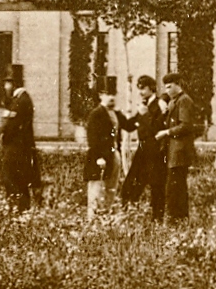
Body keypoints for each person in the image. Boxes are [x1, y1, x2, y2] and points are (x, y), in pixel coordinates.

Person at [156, 72, 203, 224]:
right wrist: (163, 98)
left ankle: (175, 220)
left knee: (175, 188)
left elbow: (186, 126)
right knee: (176, 188)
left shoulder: (184, 101)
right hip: (174, 153)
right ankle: (179, 219)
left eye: (170, 87)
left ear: (178, 85)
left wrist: (166, 132)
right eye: (165, 87)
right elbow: (165, 96)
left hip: (180, 153)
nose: (167, 90)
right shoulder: (175, 99)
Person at [120, 74, 167, 218]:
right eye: (138, 88)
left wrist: (145, 114)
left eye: (143, 88)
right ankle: (128, 214)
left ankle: (157, 219)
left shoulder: (159, 105)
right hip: (143, 150)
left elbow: (157, 128)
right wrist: (113, 113)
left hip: (155, 151)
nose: (140, 92)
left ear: (151, 88)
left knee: (156, 185)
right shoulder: (144, 106)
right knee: (131, 184)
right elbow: (130, 126)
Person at [0, 64, 42, 212]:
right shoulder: (19, 99)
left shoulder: (20, 101)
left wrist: (1, 135)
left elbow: (10, 128)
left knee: (13, 182)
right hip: (18, 149)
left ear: (14, 83)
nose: (5, 87)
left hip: (17, 150)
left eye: (7, 83)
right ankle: (19, 212)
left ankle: (18, 213)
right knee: (16, 182)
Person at [84, 79, 120, 218]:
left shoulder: (115, 114)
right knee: (97, 192)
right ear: (100, 95)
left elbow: (129, 126)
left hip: (113, 156)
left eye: (113, 94)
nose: (111, 97)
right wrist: (98, 157)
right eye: (107, 94)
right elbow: (92, 138)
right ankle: (93, 225)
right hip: (99, 159)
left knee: (110, 190)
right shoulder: (96, 114)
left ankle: (106, 221)